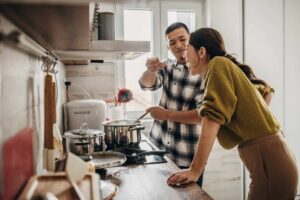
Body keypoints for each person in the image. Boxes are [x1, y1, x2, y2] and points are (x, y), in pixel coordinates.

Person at [167, 27, 298, 200]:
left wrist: (196, 169)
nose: (184, 56)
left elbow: (211, 118)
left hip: (269, 160)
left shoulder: (218, 64)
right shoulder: (223, 67)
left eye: (188, 49)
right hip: (272, 158)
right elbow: (266, 90)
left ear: (201, 52)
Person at [138, 22, 204, 186]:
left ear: (191, 40)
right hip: (157, 149)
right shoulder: (166, 66)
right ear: (168, 47)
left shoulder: (203, 72)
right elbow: (146, 85)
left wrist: (166, 114)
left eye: (183, 39)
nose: (179, 45)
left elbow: (201, 117)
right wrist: (150, 70)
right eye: (172, 42)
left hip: (186, 156)